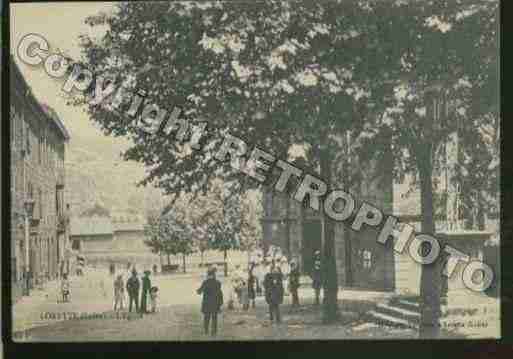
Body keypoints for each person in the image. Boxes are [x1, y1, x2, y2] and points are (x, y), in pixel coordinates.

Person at [197, 267, 224, 336]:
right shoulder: (218, 283)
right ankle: (214, 332)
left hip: (207, 303)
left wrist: (198, 290)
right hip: (215, 303)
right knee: (214, 318)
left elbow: (199, 292)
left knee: (206, 317)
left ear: (208, 275)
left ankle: (206, 330)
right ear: (214, 274)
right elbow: (220, 293)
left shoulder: (205, 282)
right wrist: (220, 303)